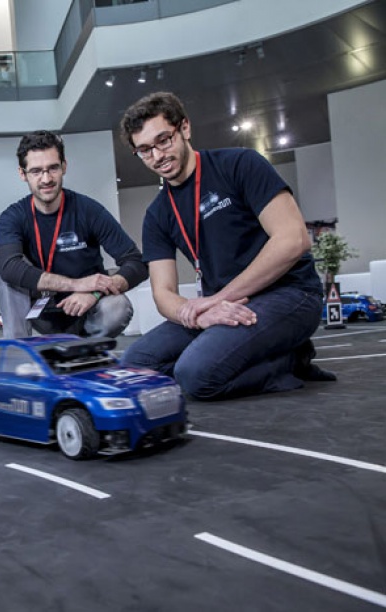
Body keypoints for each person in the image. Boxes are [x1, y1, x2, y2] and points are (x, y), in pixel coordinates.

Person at [117, 91, 334, 401]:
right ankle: (254, 355)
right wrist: (196, 316)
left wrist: (216, 299)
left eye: (163, 140)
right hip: (221, 306)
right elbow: (163, 294)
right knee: (134, 366)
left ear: (185, 128)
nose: (157, 156)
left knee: (195, 373)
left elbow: (293, 239)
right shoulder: (157, 214)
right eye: (145, 150)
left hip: (289, 294)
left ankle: (290, 361)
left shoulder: (239, 164)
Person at [0, 130, 147, 339]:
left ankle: (88, 350)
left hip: (86, 308)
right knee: (6, 271)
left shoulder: (89, 210)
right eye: (36, 171)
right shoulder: (13, 216)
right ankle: (18, 348)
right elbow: (7, 266)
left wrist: (94, 292)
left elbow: (136, 263)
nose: (46, 179)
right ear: (23, 173)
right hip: (40, 312)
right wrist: (76, 284)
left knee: (117, 307)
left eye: (53, 168)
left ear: (64, 166)